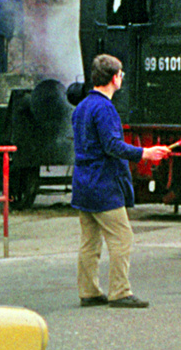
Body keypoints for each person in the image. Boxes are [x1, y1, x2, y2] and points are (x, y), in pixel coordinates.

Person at [71, 54, 170, 309]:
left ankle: (89, 291)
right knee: (122, 237)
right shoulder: (106, 109)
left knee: (89, 242)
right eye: (121, 74)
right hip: (103, 183)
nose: (122, 77)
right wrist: (145, 153)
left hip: (83, 182)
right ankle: (119, 291)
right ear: (114, 78)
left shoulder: (81, 107)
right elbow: (112, 145)